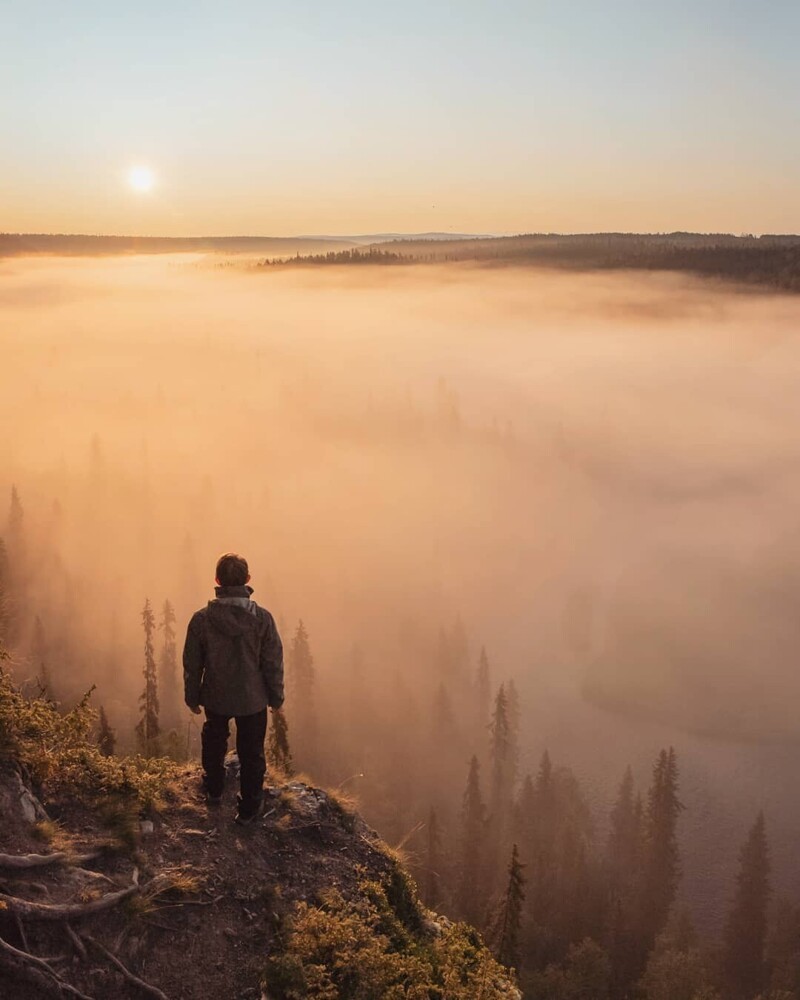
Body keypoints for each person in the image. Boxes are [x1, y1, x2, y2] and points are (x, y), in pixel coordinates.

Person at [183, 552, 284, 824]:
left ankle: (214, 790)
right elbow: (272, 662)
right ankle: (249, 810)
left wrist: (192, 697)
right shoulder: (263, 620)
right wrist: (276, 698)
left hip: (216, 696)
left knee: (214, 741)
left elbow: (193, 664)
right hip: (253, 699)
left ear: (217, 581)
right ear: (248, 580)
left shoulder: (201, 620)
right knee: (252, 753)